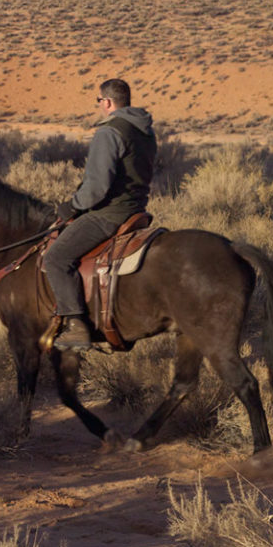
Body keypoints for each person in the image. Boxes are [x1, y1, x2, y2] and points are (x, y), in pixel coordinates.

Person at [41, 78, 158, 352]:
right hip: (137, 210)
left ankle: (76, 326)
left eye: (99, 101)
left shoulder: (109, 132)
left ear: (106, 102)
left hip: (109, 214)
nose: (99, 106)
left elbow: (96, 188)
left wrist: (73, 206)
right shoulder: (145, 131)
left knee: (57, 257)